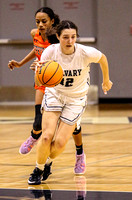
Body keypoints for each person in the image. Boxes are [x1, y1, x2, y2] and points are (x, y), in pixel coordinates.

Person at [28, 20, 113, 185]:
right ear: (58, 37)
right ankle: (38, 169)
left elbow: (103, 58)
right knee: (46, 137)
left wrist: (106, 80)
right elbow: (40, 80)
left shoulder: (85, 52)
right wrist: (39, 72)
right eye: (66, 37)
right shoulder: (50, 52)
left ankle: (48, 162)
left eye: (73, 37)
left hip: (76, 99)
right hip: (55, 95)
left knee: (59, 144)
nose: (70, 41)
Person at [8, 7, 86, 178]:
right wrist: (21, 63)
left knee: (73, 127)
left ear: (52, 21)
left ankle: (79, 153)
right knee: (39, 123)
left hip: (63, 83)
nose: (41, 25)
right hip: (44, 80)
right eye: (38, 21)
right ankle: (36, 140)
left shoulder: (56, 39)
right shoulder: (34, 34)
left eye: (44, 21)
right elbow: (36, 51)